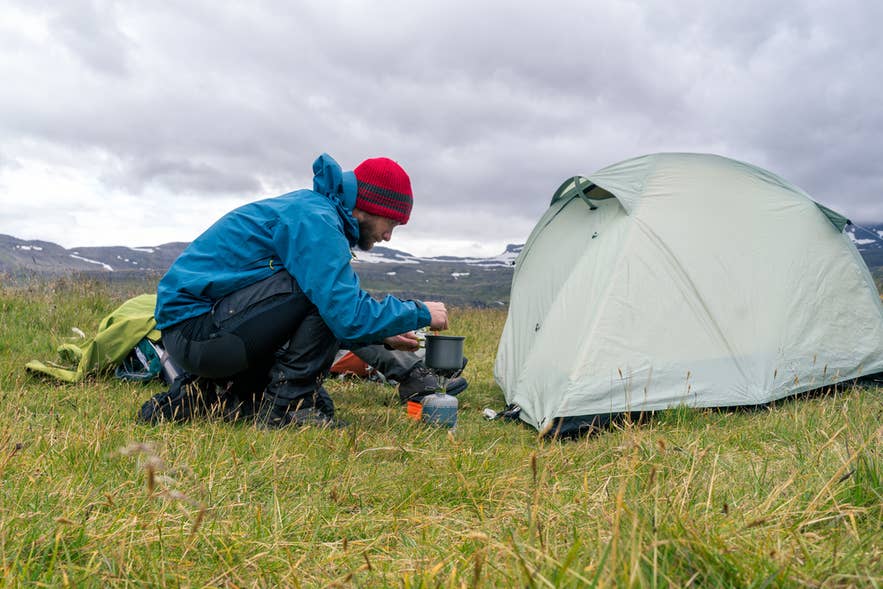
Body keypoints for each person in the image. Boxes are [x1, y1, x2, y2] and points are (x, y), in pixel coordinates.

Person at [144, 153, 452, 428]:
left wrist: (381, 333)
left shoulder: (315, 213)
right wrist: (419, 311)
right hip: (198, 336)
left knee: (322, 398)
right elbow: (344, 313)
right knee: (317, 294)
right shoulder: (315, 220)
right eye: (391, 223)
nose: (387, 236)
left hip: (196, 332)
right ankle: (287, 408)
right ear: (368, 207)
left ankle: (205, 395)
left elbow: (328, 312)